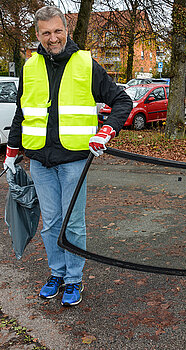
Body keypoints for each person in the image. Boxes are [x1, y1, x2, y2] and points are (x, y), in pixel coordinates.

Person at [3, 6, 132, 306]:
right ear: (37, 35)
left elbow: (122, 101)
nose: (52, 38)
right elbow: (22, 113)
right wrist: (11, 152)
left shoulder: (86, 64)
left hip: (74, 161)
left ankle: (74, 280)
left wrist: (107, 131)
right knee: (50, 222)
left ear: (66, 30)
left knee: (72, 223)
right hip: (40, 163)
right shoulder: (30, 67)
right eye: (46, 33)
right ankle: (57, 274)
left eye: (57, 31)